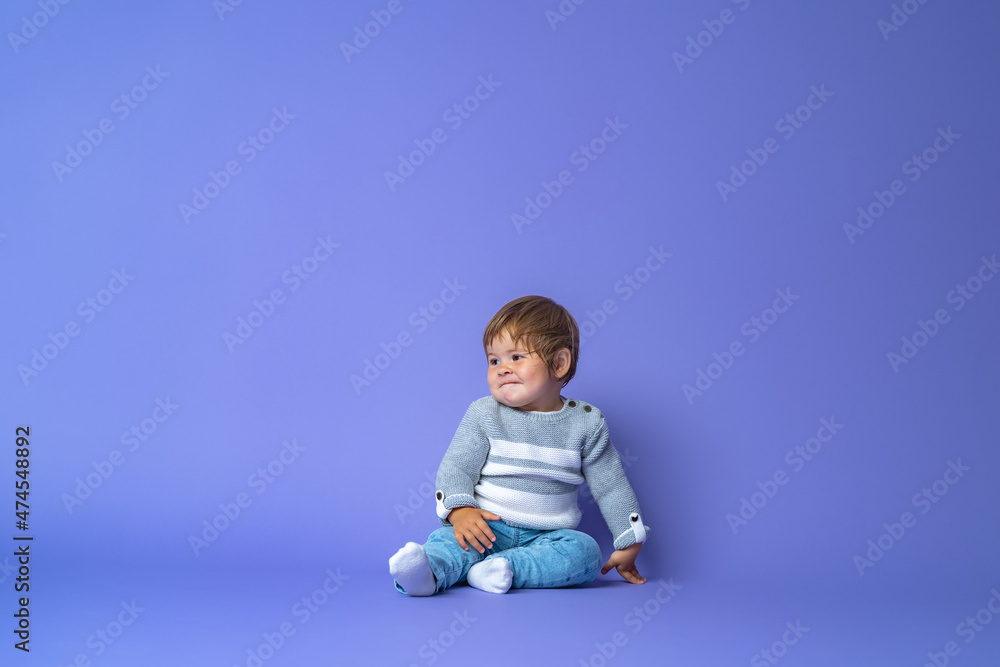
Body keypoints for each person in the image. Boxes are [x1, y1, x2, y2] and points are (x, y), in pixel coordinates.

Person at [389, 295, 649, 595]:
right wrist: (460, 510)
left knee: (586, 553)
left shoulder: (586, 424)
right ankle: (426, 574)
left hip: (549, 537)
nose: (502, 368)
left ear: (559, 363)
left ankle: (502, 569)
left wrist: (630, 538)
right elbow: (457, 466)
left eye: (516, 357)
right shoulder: (484, 414)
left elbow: (611, 486)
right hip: (485, 527)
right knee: (449, 542)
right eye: (493, 360)